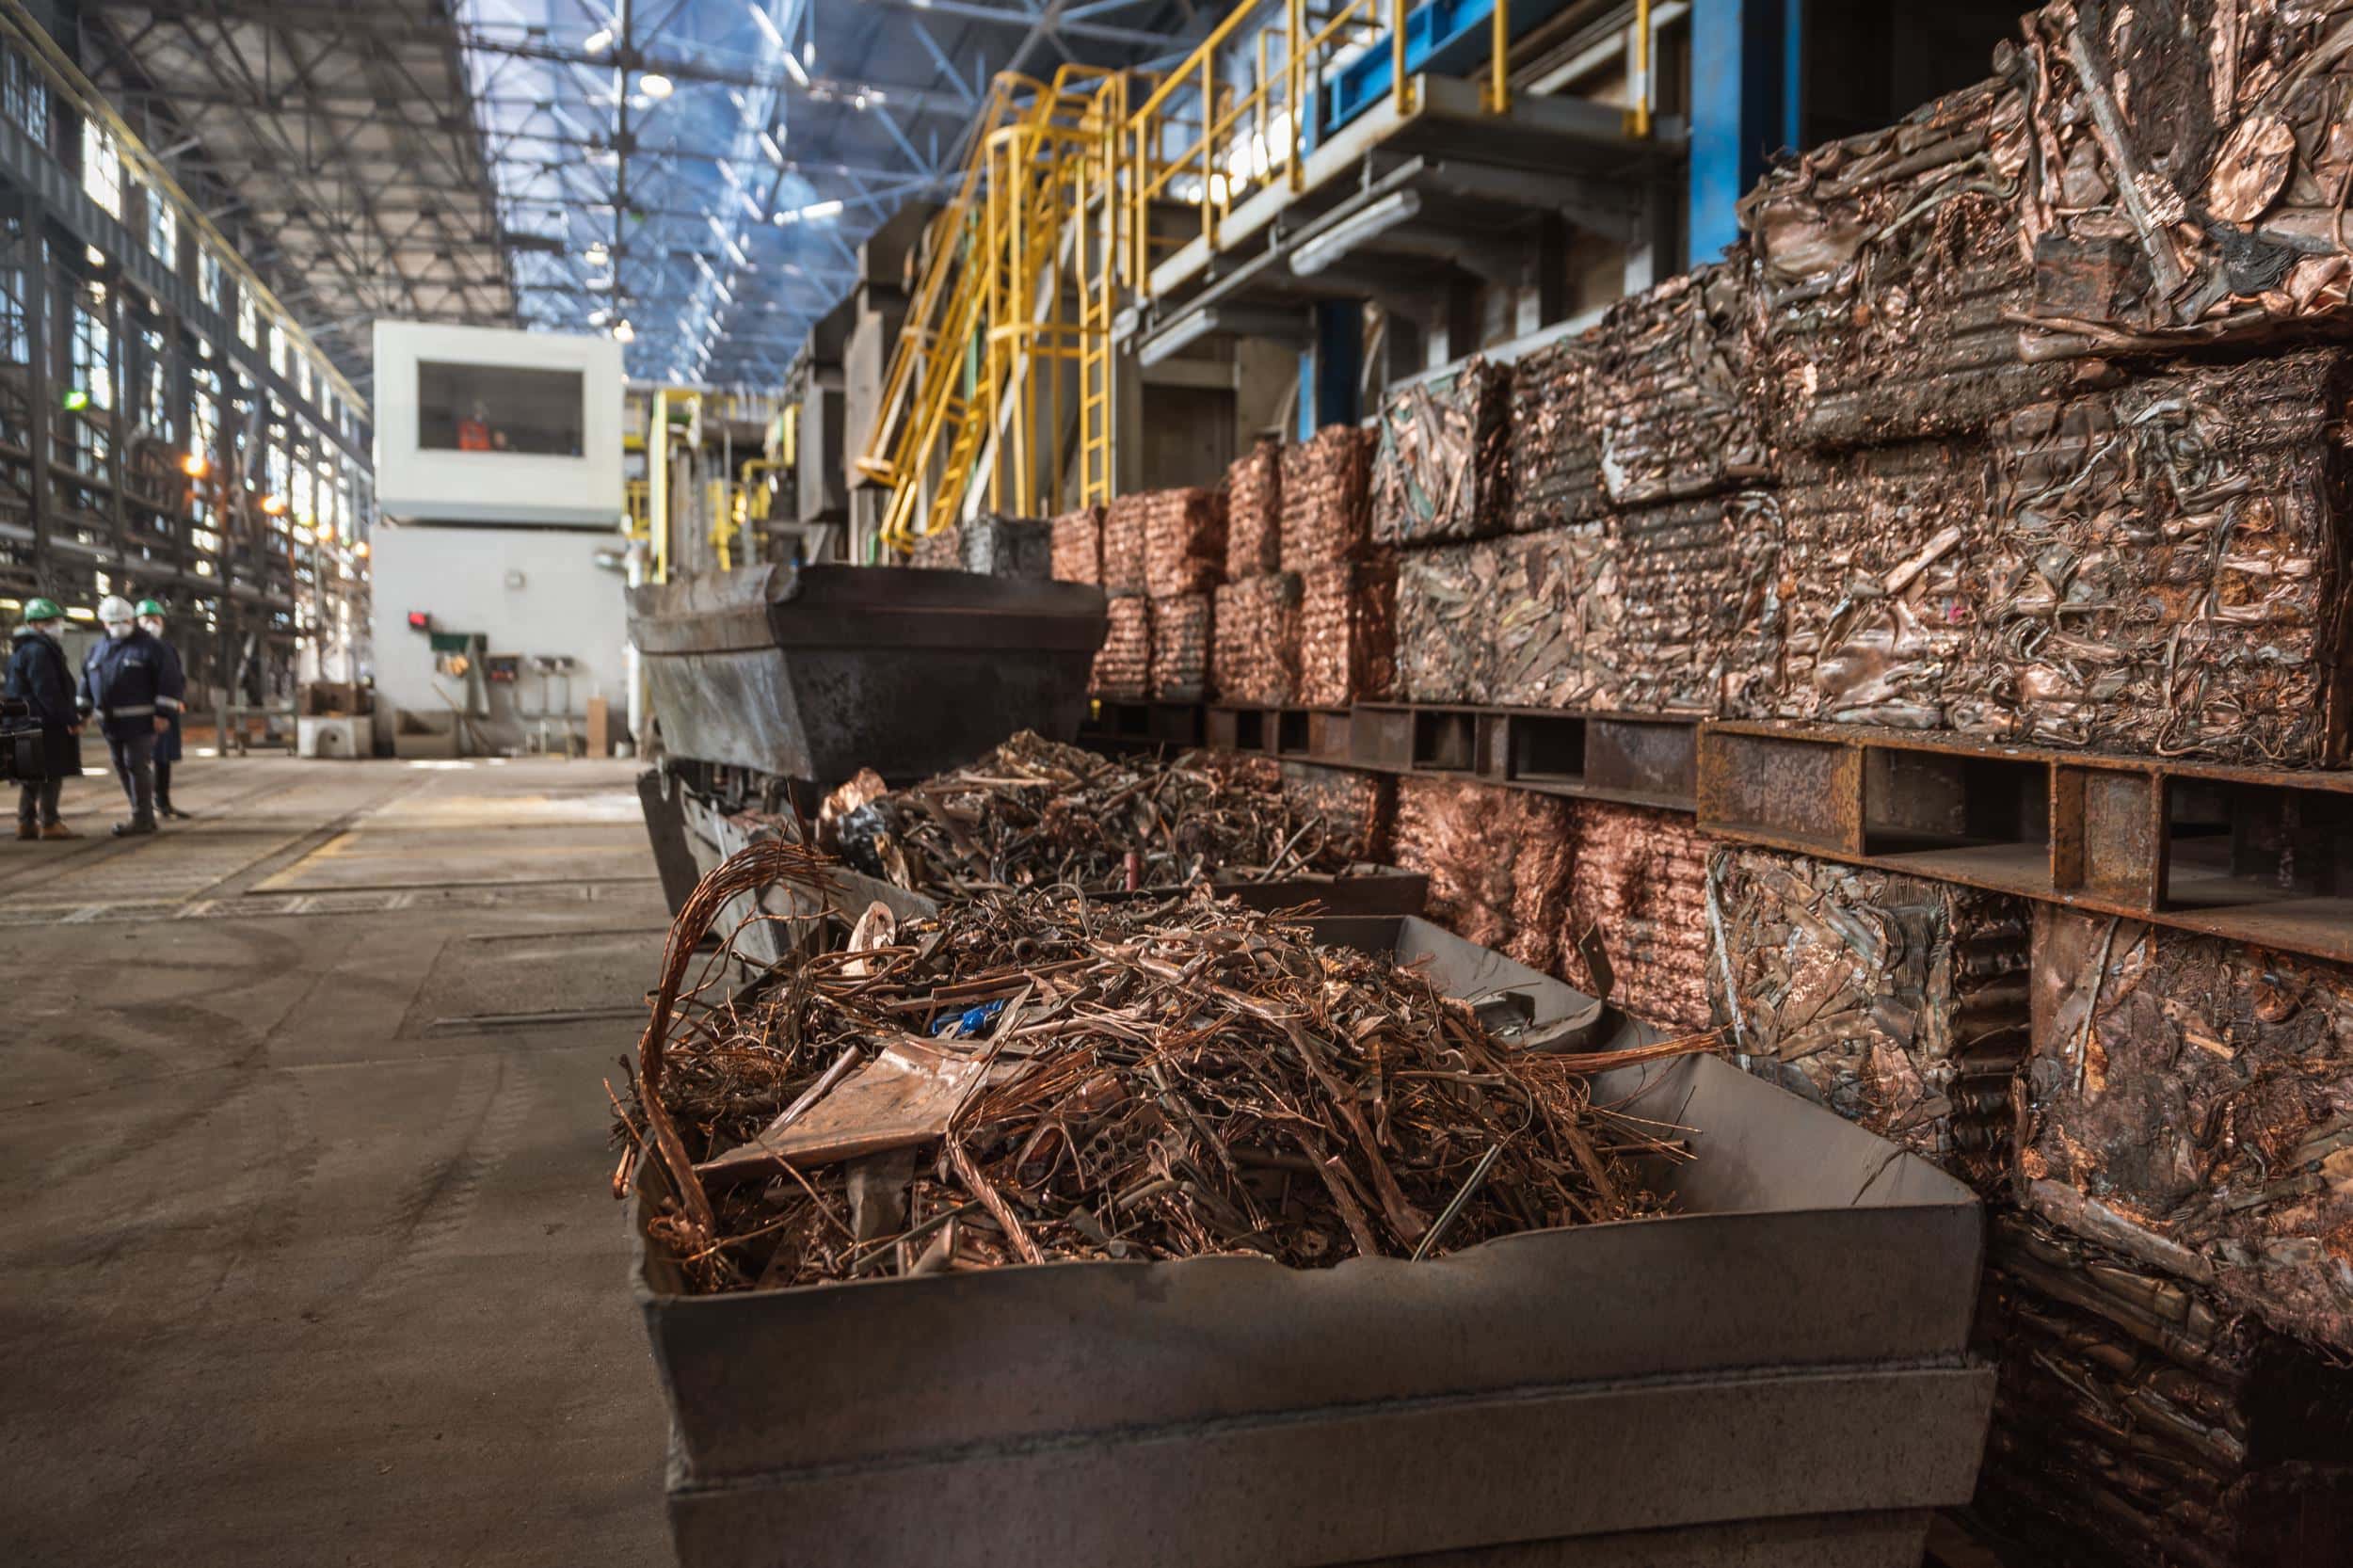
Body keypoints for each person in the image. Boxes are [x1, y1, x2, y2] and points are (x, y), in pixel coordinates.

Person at [78, 594, 181, 837]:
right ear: (104, 623)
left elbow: (169, 681)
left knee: (136, 764)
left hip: (141, 722)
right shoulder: (99, 649)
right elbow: (86, 681)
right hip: (110, 724)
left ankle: (142, 817)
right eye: (113, 622)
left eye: (123, 620)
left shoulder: (151, 647)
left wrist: (163, 713)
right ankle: (141, 812)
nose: (118, 626)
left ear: (131, 620)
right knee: (121, 766)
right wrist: (81, 712)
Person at [6, 598, 82, 840]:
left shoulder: (23, 649)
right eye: (50, 621)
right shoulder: (40, 651)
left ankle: (26, 822)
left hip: (22, 720)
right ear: (35, 624)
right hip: (43, 721)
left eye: (57, 620)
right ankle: (49, 822)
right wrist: (70, 718)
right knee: (51, 772)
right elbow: (47, 692)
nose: (57, 625)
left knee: (30, 775)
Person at [134, 599, 190, 819]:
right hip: (142, 713)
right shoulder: (133, 648)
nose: (152, 623)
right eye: (147, 619)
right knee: (139, 762)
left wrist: (177, 699)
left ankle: (163, 802)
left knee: (163, 758)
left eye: (155, 619)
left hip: (165, 712)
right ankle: (143, 807)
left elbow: (176, 678)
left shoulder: (167, 649)